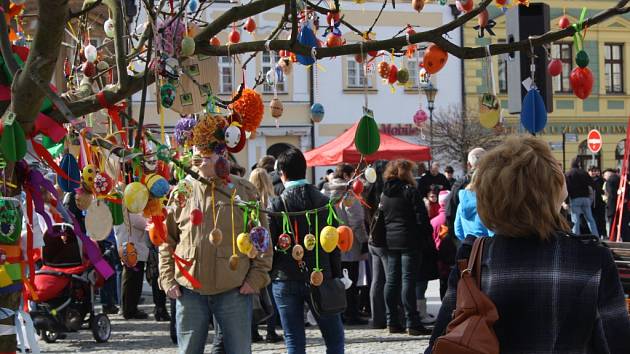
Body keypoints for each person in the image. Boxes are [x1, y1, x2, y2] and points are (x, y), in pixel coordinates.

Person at [427, 136, 630, 354]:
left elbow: (439, 343)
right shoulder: (591, 259)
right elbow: (616, 343)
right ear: (555, 189)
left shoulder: (474, 259)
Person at [160, 149, 272, 354]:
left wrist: (256, 278)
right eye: (198, 151)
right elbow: (166, 240)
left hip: (234, 289)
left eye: (209, 152)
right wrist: (167, 278)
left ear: (223, 156)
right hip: (189, 290)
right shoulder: (181, 192)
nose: (202, 157)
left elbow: (262, 240)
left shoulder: (244, 191)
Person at [268, 147, 344, 354]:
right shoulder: (324, 202)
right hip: (321, 275)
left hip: (285, 278)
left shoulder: (277, 204)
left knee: (293, 339)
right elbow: (334, 242)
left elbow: (270, 248)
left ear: (282, 173)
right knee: (334, 338)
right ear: (305, 169)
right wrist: (335, 274)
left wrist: (272, 273)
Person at [381, 159, 433, 335]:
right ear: (405, 173)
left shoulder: (385, 193)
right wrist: (425, 235)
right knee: (408, 281)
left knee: (392, 280)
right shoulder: (410, 191)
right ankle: (412, 322)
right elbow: (422, 218)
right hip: (410, 241)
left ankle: (392, 321)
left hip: (390, 240)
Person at [326, 163, 369, 326]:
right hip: (349, 242)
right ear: (345, 175)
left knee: (338, 278)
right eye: (352, 175)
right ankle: (351, 312)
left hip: (331, 240)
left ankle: (341, 311)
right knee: (350, 279)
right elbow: (356, 221)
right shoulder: (348, 193)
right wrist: (364, 240)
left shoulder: (326, 190)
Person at [248, 168, 284, 343]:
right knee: (269, 293)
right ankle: (271, 330)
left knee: (253, 292)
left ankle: (253, 330)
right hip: (270, 253)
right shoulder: (273, 202)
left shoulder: (248, 202)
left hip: (251, 252)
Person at [365, 160, 388, 329]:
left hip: (372, 238)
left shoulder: (367, 191)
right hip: (384, 239)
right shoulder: (385, 193)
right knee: (389, 280)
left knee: (377, 280)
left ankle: (377, 318)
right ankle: (390, 316)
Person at [445, 148, 486, 243]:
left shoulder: (460, 184)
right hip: (491, 242)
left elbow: (450, 210)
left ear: (468, 164)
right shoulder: (496, 182)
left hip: (466, 239)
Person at [114, 210, 150, 319]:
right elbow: (143, 223)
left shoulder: (122, 209)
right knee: (132, 281)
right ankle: (129, 309)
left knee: (133, 280)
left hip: (130, 246)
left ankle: (130, 308)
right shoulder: (128, 210)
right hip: (132, 248)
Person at [430, 190, 454, 300]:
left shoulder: (433, 221)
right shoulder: (453, 218)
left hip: (439, 256)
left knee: (443, 282)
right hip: (453, 254)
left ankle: (444, 305)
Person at [454, 174, 494, 240]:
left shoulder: (460, 205)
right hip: (484, 246)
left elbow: (458, 231)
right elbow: (492, 234)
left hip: (467, 245)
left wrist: (466, 241)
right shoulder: (485, 206)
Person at [565, 158, 599, 235]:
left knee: (575, 220)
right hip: (586, 198)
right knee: (590, 219)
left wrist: (566, 202)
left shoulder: (568, 174)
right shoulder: (584, 173)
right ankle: (596, 236)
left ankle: (576, 237)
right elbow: (592, 184)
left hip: (575, 198)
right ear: (578, 164)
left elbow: (567, 188)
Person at [588, 166, 607, 237]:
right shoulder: (587, 180)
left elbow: (604, 190)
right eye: (592, 171)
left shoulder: (601, 180)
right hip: (591, 204)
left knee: (601, 219)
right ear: (589, 172)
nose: (593, 173)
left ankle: (603, 234)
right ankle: (595, 234)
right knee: (593, 219)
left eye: (595, 171)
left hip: (600, 203)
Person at [603, 168, 620, 235]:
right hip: (619, 204)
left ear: (608, 175)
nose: (604, 178)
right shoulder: (619, 178)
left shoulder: (609, 181)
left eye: (604, 176)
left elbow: (611, 193)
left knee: (612, 222)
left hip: (612, 205)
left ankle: (612, 236)